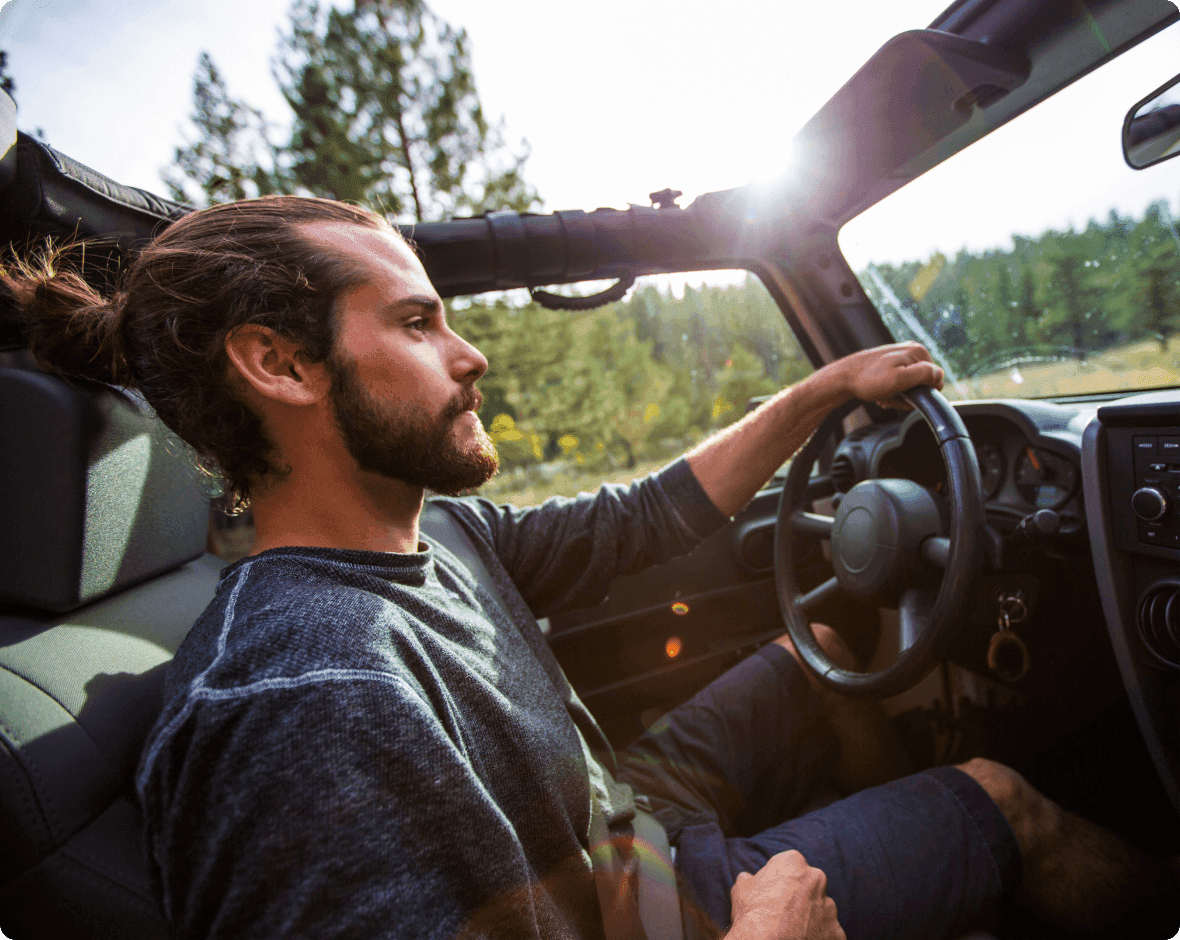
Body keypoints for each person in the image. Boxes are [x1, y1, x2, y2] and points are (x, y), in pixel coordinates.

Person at [5, 195, 1178, 940]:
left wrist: (825, 389)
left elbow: (638, 517)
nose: (467, 354)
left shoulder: (427, 537)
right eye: (415, 324)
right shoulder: (306, 706)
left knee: (822, 641)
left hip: (617, 830)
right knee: (999, 796)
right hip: (652, 907)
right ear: (278, 362)